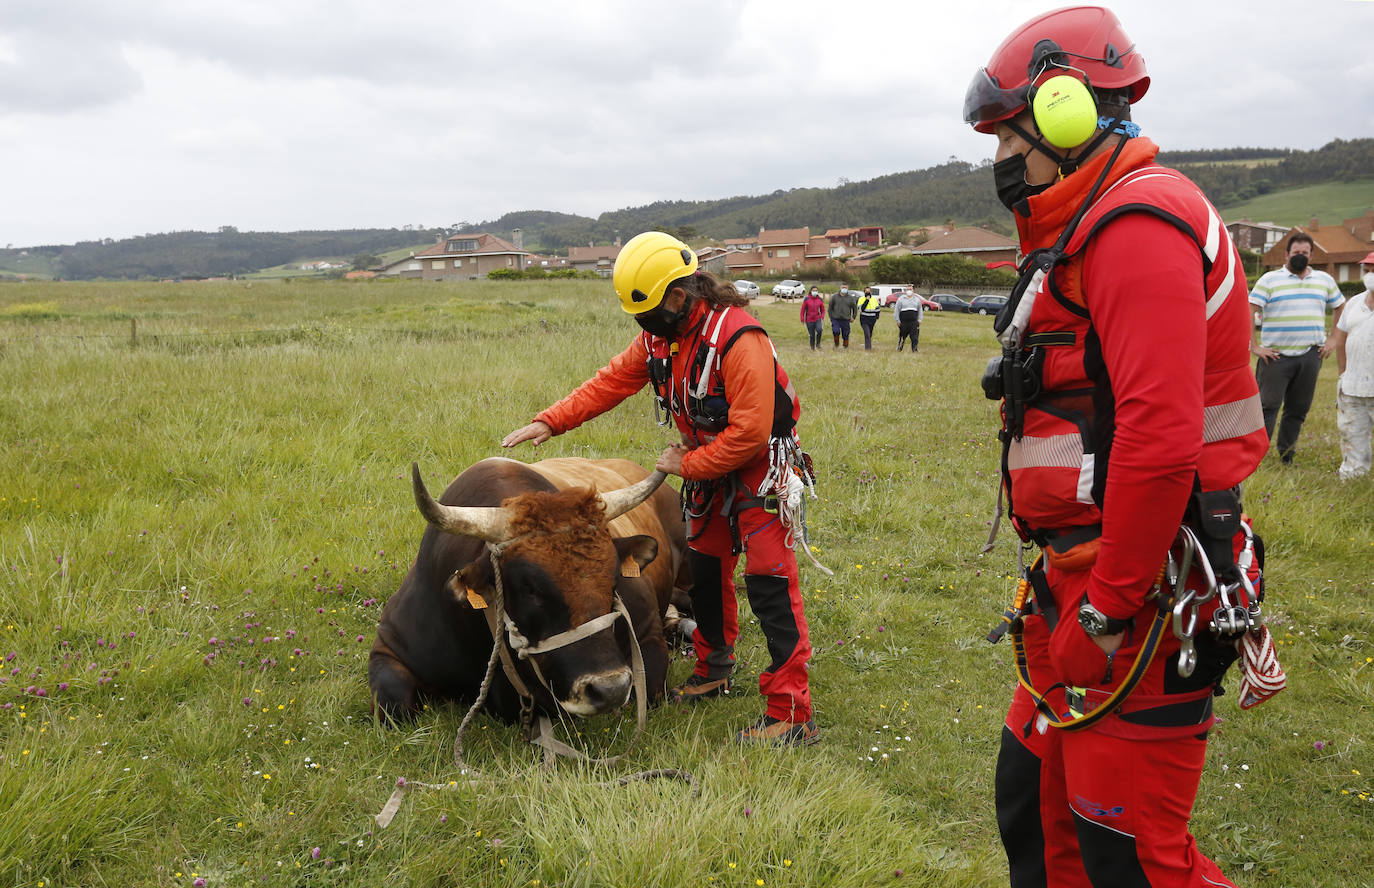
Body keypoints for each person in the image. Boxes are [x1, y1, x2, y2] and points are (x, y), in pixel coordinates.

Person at [962, 7, 1270, 886]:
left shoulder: (1138, 223)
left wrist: (1105, 608)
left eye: (1007, 135)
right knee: (1034, 804)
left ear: (1067, 111)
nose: (999, 161)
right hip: (1079, 578)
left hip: (1136, 589)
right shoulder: (1087, 226)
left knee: (1133, 861)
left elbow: (1163, 438)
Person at [502, 231, 819, 747]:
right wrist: (551, 422)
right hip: (705, 471)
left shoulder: (741, 339)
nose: (645, 324)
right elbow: (609, 382)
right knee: (708, 571)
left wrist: (685, 463)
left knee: (770, 584)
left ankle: (792, 712)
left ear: (682, 291)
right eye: (638, 315)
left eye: (650, 310)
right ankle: (714, 669)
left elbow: (750, 433)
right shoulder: (659, 339)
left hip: (761, 470)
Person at [1249, 232, 1345, 464]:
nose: (1300, 256)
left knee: (1298, 409)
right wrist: (1254, 345)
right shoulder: (1269, 280)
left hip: (1310, 355)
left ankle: (1286, 455)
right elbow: (1248, 311)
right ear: (1286, 254)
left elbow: (1341, 307)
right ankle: (1255, 457)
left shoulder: (1324, 280)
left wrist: (1332, 339)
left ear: (1311, 255)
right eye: (1295, 253)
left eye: (1304, 253)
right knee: (1267, 407)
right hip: (1275, 357)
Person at [1332, 251, 1374, 480]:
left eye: (1373, 270)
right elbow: (1341, 338)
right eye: (1367, 271)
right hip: (1352, 387)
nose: (1369, 276)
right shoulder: (1355, 303)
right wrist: (1343, 372)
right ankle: (1353, 480)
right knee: (1352, 436)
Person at [893, 289, 924, 353]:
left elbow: (920, 310)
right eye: (908, 289)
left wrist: (920, 319)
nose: (909, 291)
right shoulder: (901, 299)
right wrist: (897, 320)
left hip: (914, 322)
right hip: (904, 321)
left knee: (914, 337)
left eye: (910, 289)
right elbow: (897, 310)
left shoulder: (917, 300)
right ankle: (899, 348)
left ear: (913, 291)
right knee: (902, 336)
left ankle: (914, 349)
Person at [828, 284, 859, 349]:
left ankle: (845, 345)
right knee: (836, 331)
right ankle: (836, 344)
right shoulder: (834, 296)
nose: (844, 289)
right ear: (840, 287)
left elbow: (855, 308)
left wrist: (853, 317)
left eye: (845, 287)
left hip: (846, 319)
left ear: (847, 288)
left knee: (846, 333)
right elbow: (830, 307)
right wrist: (831, 317)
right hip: (836, 318)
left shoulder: (850, 298)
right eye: (843, 287)